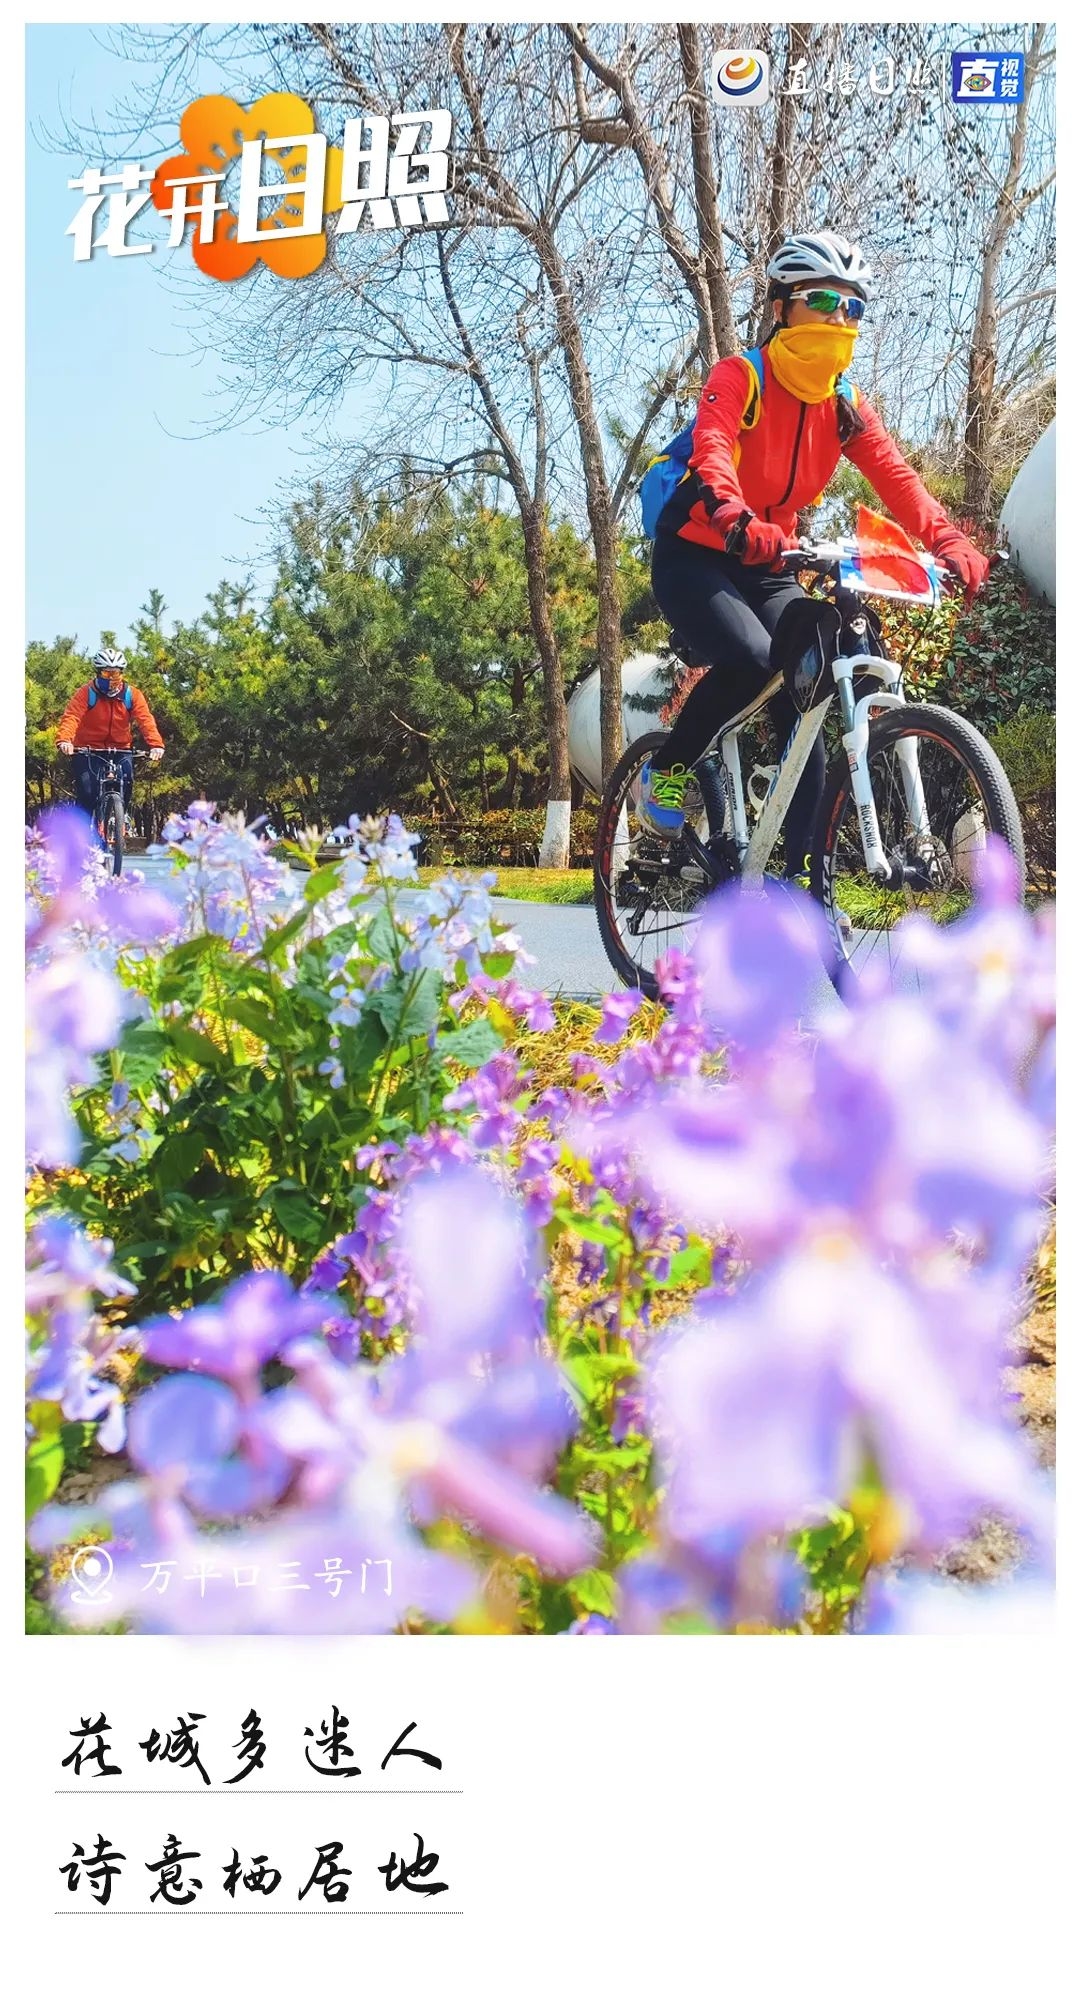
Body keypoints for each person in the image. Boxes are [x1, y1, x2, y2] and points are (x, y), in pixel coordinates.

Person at [641, 229, 991, 876]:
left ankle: (806, 881)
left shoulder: (843, 404)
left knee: (810, 686)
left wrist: (946, 537)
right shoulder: (741, 375)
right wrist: (735, 515)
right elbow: (713, 450)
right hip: (696, 553)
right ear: (781, 307)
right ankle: (665, 769)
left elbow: (897, 478)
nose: (839, 318)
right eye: (824, 300)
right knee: (751, 658)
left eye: (852, 306)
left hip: (769, 560)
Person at [56, 647, 165, 821]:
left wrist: (156, 744)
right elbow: (72, 716)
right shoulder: (86, 693)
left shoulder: (132, 694)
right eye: (107, 673)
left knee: (127, 785)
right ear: (98, 672)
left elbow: (145, 719)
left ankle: (119, 820)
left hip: (121, 748)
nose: (112, 678)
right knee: (87, 793)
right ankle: (83, 831)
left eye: (116, 673)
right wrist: (65, 740)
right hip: (88, 749)